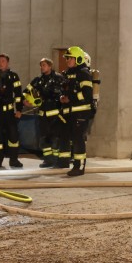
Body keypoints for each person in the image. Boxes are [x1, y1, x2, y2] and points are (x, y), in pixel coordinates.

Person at [58, 46, 94, 177]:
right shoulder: (68, 73)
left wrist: (70, 98)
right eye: (67, 58)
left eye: (70, 58)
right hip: (70, 113)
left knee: (78, 139)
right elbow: (64, 90)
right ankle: (74, 165)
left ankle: (79, 167)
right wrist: (61, 97)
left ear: (78, 59)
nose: (67, 60)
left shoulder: (84, 73)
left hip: (81, 113)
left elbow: (87, 94)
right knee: (73, 139)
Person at [23, 58, 65, 168]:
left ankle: (56, 160)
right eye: (41, 65)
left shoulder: (59, 78)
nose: (42, 67)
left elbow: (65, 92)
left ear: (50, 66)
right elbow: (26, 91)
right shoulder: (38, 80)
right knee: (44, 139)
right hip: (43, 115)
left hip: (56, 115)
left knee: (55, 139)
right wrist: (26, 101)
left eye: (44, 65)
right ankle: (48, 160)